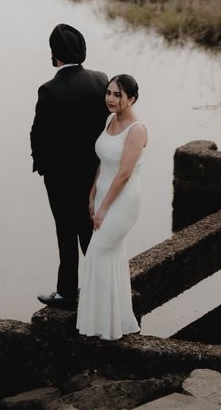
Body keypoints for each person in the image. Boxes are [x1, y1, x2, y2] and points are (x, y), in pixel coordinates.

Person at [31, 24, 108, 308]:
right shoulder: (101, 80)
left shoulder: (49, 90)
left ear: (54, 55)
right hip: (95, 173)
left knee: (66, 231)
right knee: (91, 229)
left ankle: (67, 293)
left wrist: (42, 167)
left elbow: (39, 135)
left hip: (61, 177)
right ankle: (103, 286)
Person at [76, 73, 147, 341]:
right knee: (112, 257)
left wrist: (104, 207)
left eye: (118, 95)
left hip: (123, 201)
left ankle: (99, 324)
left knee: (96, 253)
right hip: (104, 193)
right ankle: (114, 323)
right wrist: (93, 190)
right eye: (109, 93)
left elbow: (124, 174)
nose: (111, 99)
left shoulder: (137, 130)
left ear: (132, 99)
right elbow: (104, 162)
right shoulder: (109, 120)